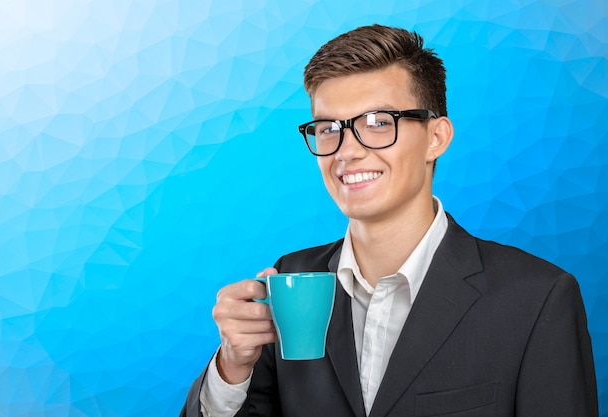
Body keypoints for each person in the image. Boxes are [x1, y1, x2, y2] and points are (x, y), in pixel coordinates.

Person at [179, 24, 598, 417]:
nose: (346, 151)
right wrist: (233, 365)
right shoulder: (289, 279)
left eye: (379, 123)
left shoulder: (536, 298)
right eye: (328, 128)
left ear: (436, 137)